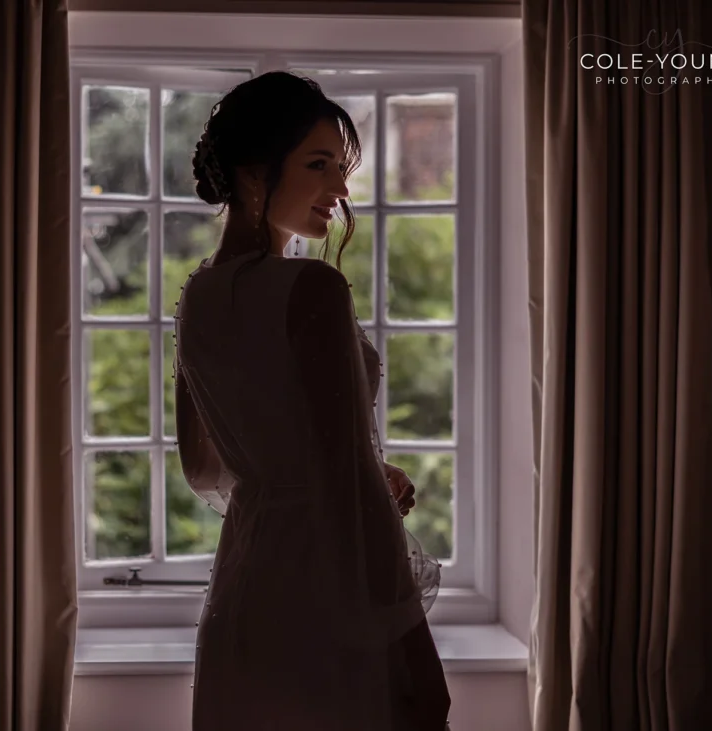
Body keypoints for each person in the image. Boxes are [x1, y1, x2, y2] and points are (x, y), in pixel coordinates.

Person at [174, 71, 451, 731]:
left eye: (341, 166)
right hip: (329, 606)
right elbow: (347, 482)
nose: (340, 188)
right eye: (319, 163)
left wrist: (307, 473)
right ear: (252, 171)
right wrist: (418, 654)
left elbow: (203, 467)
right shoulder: (314, 289)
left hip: (242, 594)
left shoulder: (197, 297)